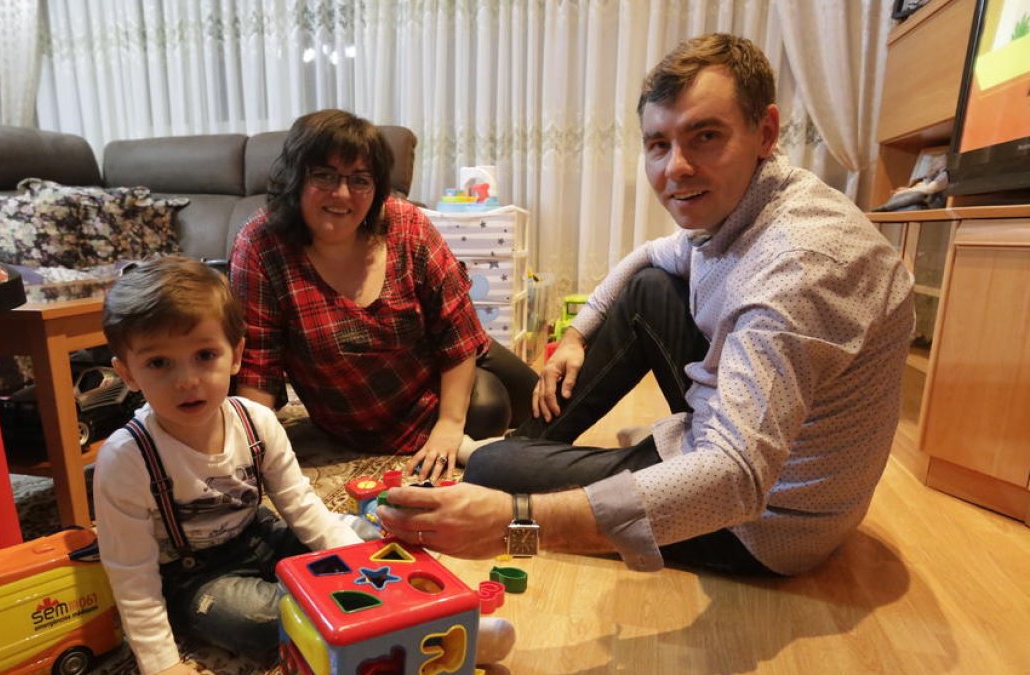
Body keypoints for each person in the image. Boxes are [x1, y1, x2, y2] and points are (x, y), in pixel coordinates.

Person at [378, 33, 914, 577]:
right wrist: (574, 336)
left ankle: (525, 469)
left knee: (492, 470)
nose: (676, 168)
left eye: (705, 136)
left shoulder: (798, 267)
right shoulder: (752, 206)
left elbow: (737, 479)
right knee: (651, 287)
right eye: (658, 144)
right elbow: (649, 254)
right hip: (744, 445)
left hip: (766, 523)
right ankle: (541, 450)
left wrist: (513, 524)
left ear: (766, 132)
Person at [230, 109, 538, 482]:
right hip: (363, 406)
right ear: (295, 178)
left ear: (377, 188)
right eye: (324, 176)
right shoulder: (260, 245)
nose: (341, 194)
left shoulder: (407, 224)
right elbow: (258, 366)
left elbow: (455, 330)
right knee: (490, 406)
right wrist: (250, 453)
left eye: (360, 180)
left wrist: (448, 426)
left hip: (433, 350)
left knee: (542, 402)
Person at [94, 256, 365, 675]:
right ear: (127, 373)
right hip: (193, 576)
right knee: (258, 622)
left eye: (204, 355)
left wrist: (355, 557)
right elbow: (131, 575)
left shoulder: (256, 421)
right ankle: (336, 609)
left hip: (258, 534)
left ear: (236, 354)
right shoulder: (125, 459)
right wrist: (161, 664)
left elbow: (299, 503)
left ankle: (348, 593)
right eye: (159, 363)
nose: (186, 380)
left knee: (357, 536)